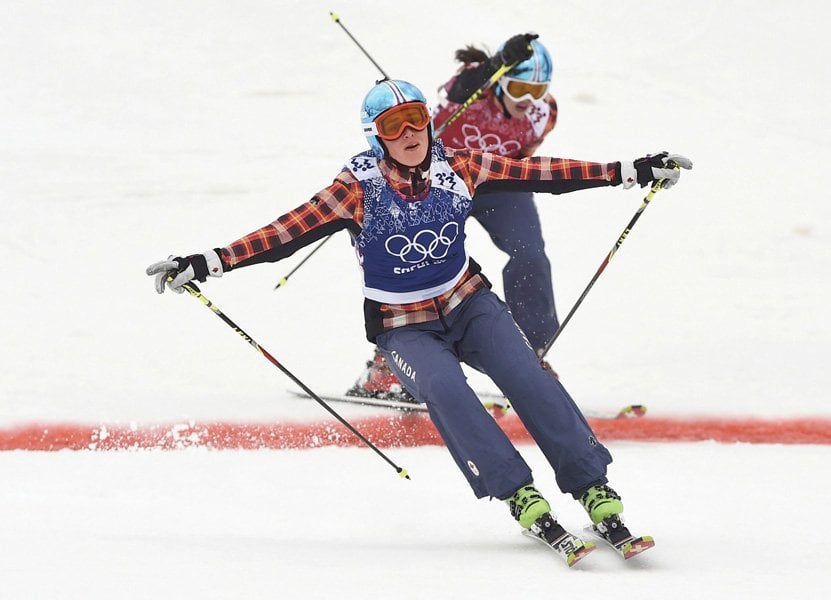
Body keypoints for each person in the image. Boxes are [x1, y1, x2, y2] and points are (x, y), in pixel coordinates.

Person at [146, 78, 691, 561]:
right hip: (402, 324)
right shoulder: (356, 189)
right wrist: (207, 261)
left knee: (528, 373)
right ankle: (518, 493)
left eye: (417, 121)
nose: (410, 133)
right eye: (393, 125)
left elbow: (543, 173)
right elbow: (284, 232)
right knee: (445, 387)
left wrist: (628, 171)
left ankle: (591, 485)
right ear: (375, 136)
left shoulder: (461, 165)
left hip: (468, 301)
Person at [348, 34, 562, 402]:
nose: (527, 101)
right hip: (446, 178)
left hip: (497, 185)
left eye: (537, 91)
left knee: (531, 254)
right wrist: (494, 68)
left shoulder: (544, 114)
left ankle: (531, 352)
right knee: (422, 262)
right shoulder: (473, 89)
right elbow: (460, 90)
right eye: (520, 87)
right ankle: (389, 368)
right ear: (501, 81)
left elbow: (524, 155)